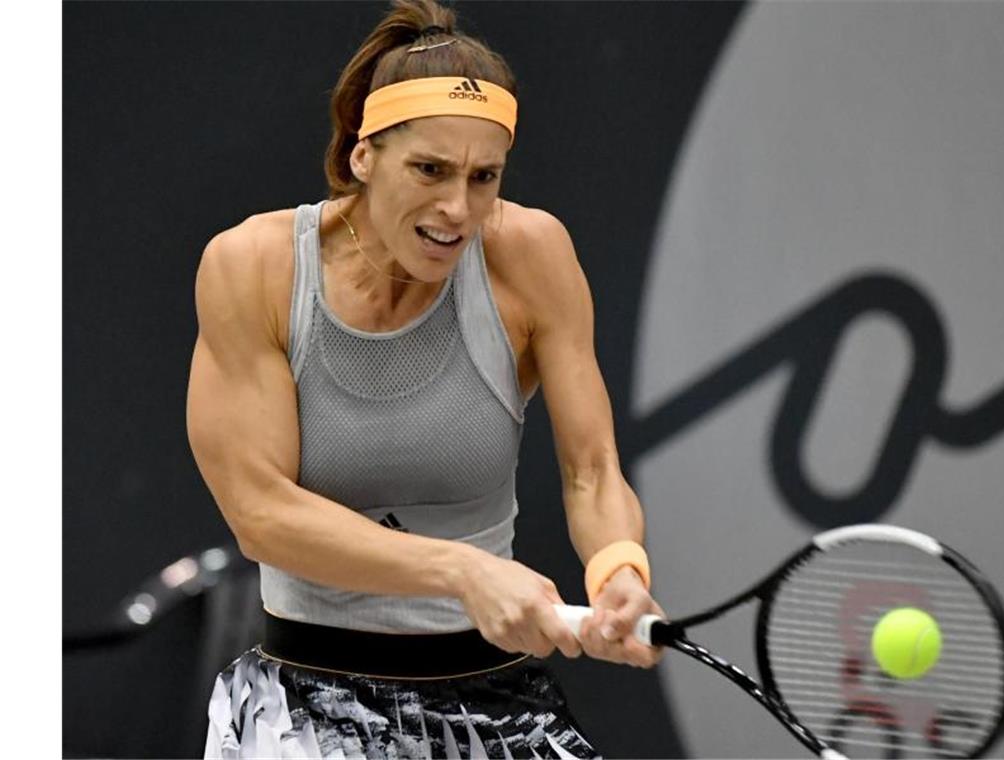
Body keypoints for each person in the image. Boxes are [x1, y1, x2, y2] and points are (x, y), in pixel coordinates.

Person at [187, 1, 664, 757]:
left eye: (485, 178)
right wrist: (462, 571)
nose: (457, 209)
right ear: (362, 154)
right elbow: (261, 512)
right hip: (301, 704)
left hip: (500, 698)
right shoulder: (254, 267)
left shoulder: (531, 254)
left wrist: (617, 571)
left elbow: (592, 469)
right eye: (430, 170)